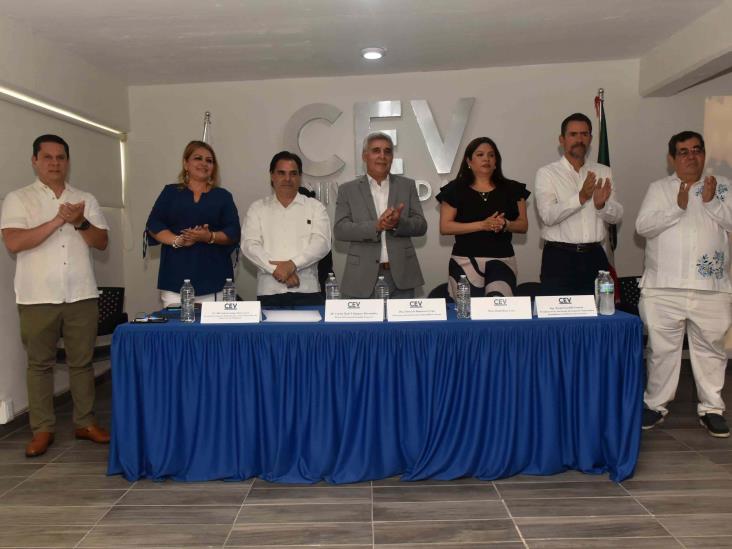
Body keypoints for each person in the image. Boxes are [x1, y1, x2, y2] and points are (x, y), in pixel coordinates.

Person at [1, 135, 110, 457]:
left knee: (82, 362)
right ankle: (42, 430)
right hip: (37, 297)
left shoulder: (84, 199)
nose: (54, 163)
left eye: (60, 157)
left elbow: (101, 242)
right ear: (35, 161)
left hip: (81, 294)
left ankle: (85, 422)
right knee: (39, 365)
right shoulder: (18, 199)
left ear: (68, 161)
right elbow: (15, 243)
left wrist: (80, 221)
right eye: (47, 157)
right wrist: (57, 220)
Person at [637, 131, 732, 438]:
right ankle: (656, 404)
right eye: (683, 152)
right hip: (663, 287)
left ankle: (712, 409)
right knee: (662, 350)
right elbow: (643, 227)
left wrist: (710, 204)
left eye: (696, 150)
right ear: (672, 159)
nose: (691, 157)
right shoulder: (659, 189)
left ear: (703, 155)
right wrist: (677, 207)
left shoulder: (723, 188)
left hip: (711, 287)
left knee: (711, 350)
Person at [535, 113, 623, 295]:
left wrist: (601, 206)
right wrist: (581, 197)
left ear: (590, 139)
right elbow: (548, 216)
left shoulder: (603, 171)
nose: (579, 139)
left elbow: (617, 216)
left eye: (584, 134)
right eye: (573, 134)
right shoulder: (547, 173)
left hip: (595, 257)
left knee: (598, 316)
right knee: (557, 319)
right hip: (559, 258)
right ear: (562, 139)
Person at [146, 141, 240, 307]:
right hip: (175, 279)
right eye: (198, 158)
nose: (204, 163)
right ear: (185, 163)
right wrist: (178, 240)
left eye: (209, 160)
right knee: (177, 332)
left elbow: (233, 232)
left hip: (215, 281)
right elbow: (154, 224)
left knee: (214, 333)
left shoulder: (223, 196)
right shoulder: (170, 192)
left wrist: (209, 236)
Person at [334, 132, 427, 298]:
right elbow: (340, 230)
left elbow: (421, 225)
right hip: (362, 276)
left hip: (401, 275)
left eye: (387, 151)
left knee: (404, 325)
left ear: (392, 157)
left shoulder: (407, 186)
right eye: (376, 150)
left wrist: (399, 223)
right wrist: (376, 226)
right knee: (365, 326)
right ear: (365, 156)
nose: (382, 156)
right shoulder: (347, 190)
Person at [436, 137, 529, 298]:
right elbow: (445, 227)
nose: (486, 158)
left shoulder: (513, 189)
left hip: (503, 260)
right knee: (466, 315)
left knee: (500, 313)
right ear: (469, 161)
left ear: (496, 162)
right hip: (465, 261)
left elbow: (523, 225)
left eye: (491, 155)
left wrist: (505, 224)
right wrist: (482, 225)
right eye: (480, 154)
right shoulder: (454, 189)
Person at [241, 151, 331, 306]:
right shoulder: (257, 208)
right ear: (272, 176)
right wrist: (277, 270)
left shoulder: (315, 207)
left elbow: (321, 244)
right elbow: (249, 245)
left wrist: (292, 265)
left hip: (307, 291)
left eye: (293, 173)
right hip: (269, 292)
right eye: (281, 173)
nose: (287, 179)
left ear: (300, 176)